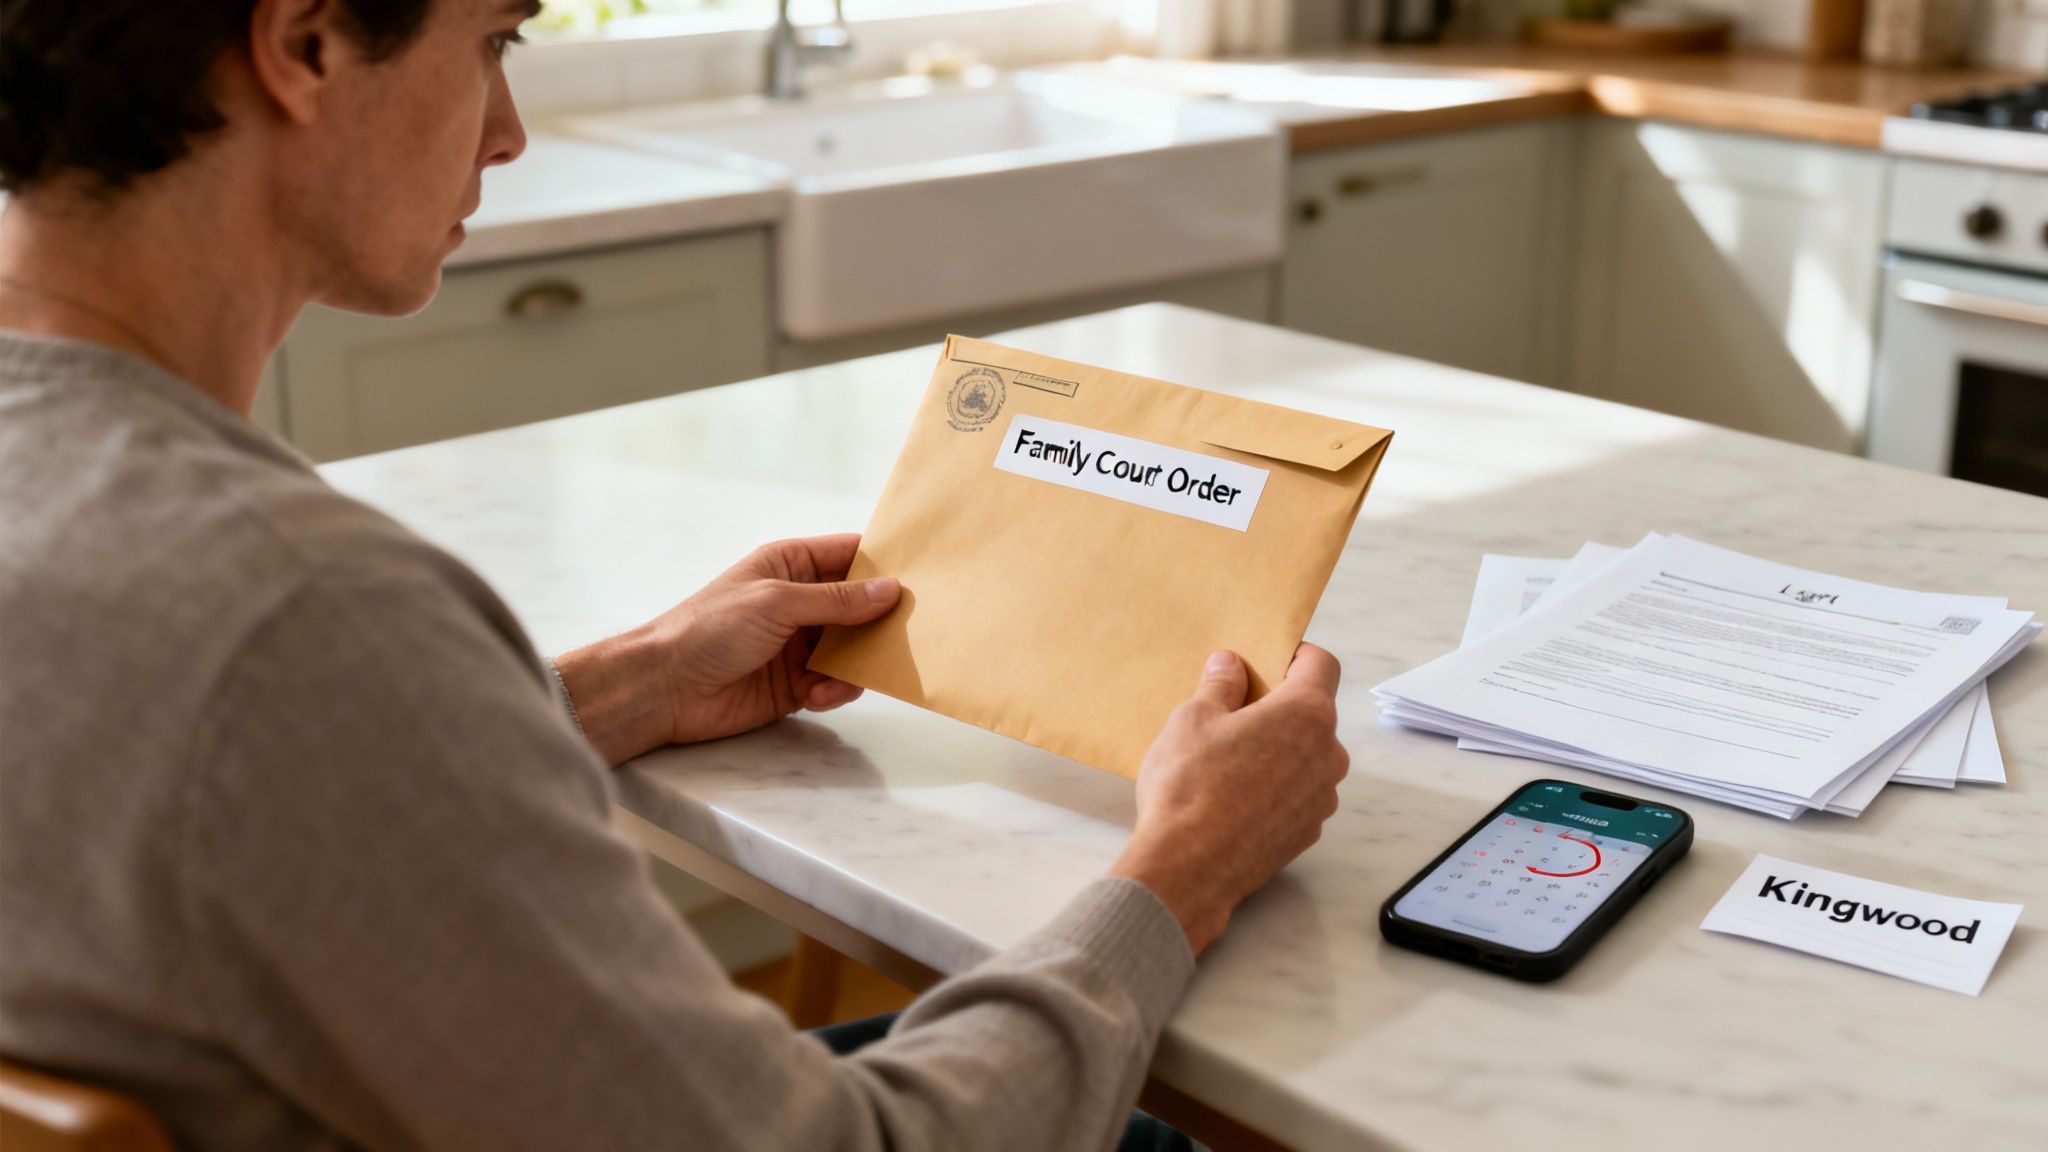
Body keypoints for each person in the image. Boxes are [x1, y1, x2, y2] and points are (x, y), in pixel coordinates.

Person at [0, 1, 1351, 1148]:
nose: (510, 128)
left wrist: (629, 683)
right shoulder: (302, 614)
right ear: (305, 44)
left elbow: (262, 791)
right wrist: (1188, 864)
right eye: (494, 38)